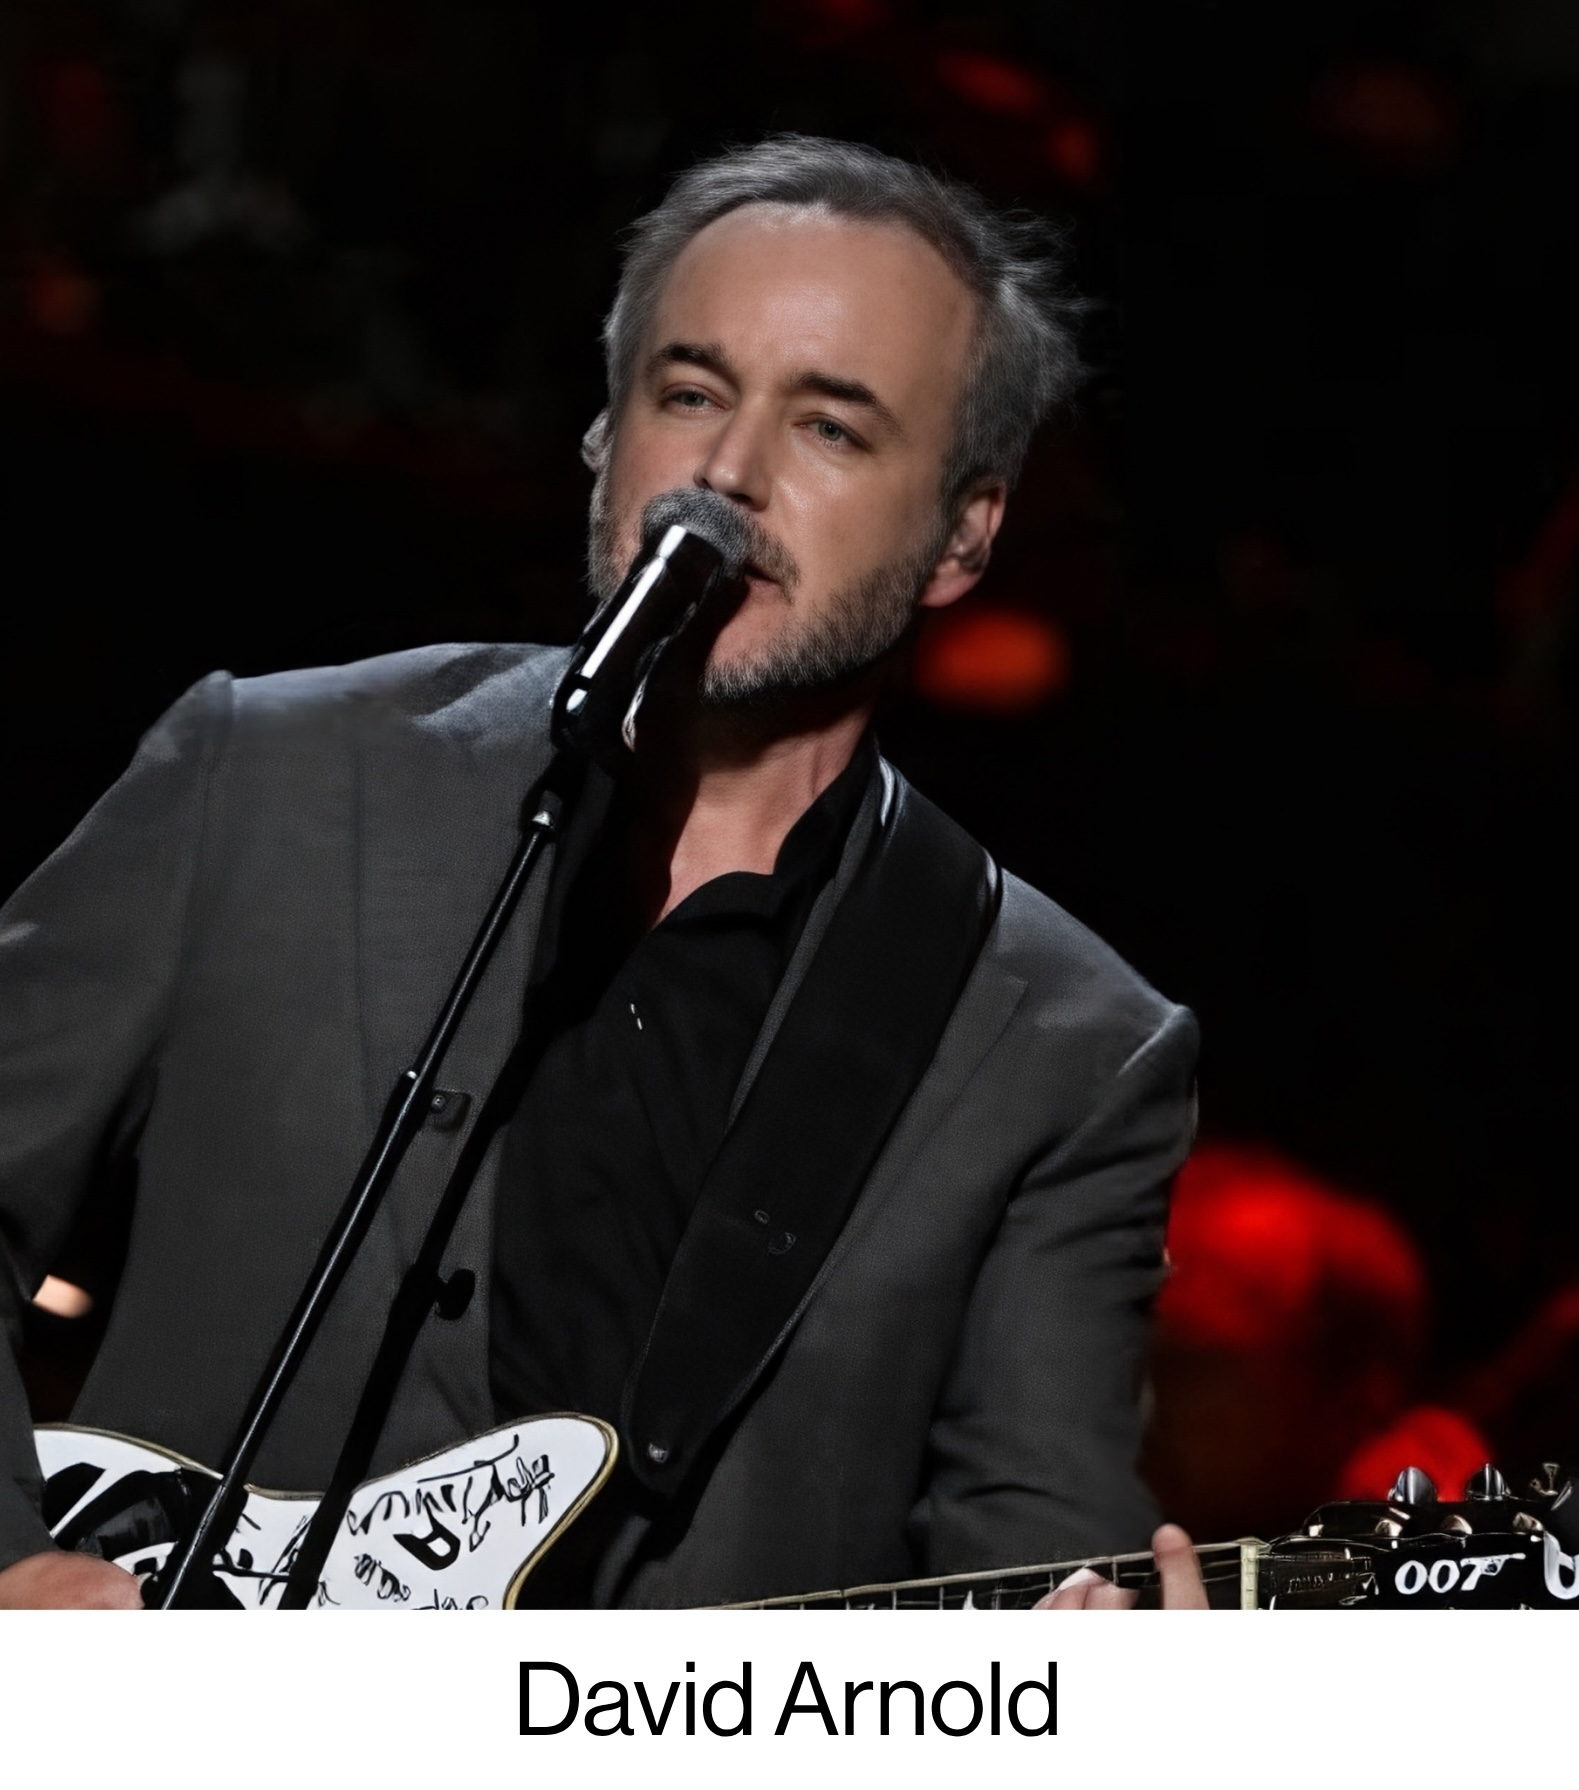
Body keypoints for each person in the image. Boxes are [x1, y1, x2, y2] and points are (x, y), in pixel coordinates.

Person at [0, 136, 1200, 1609]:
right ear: (600, 435)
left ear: (963, 533)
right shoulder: (267, 774)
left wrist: (1097, 1694)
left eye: (831, 428)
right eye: (689, 394)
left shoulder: (1070, 1046)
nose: (727, 476)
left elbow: (1039, 1566)